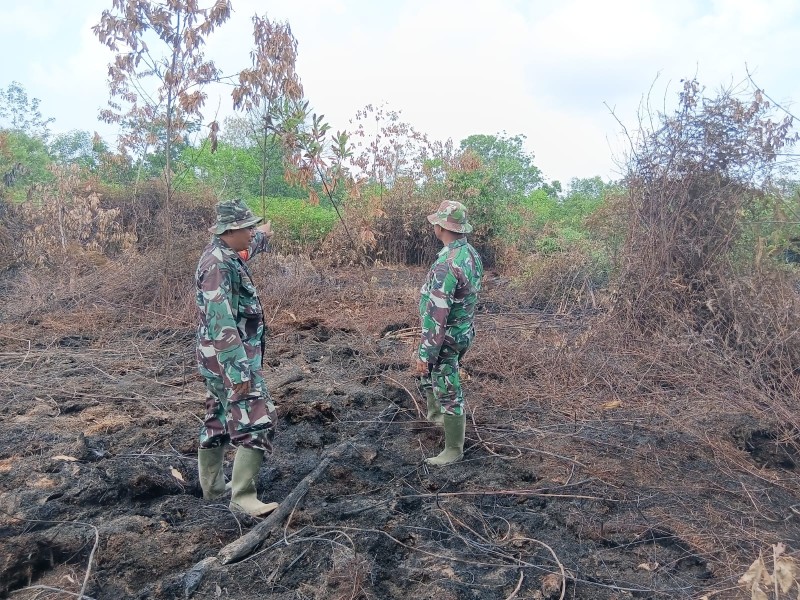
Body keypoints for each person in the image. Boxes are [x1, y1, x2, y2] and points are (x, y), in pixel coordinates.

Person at [195, 199, 279, 516]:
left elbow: (248, 248)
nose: (252, 232)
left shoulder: (227, 252)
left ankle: (214, 488)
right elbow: (221, 321)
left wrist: (264, 235)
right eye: (248, 228)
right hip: (230, 360)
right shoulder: (217, 266)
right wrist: (238, 372)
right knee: (258, 418)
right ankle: (243, 497)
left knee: (218, 417)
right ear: (231, 230)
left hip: (217, 360)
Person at [415, 200, 484, 466]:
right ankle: (436, 416)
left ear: (441, 227)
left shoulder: (448, 264)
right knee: (436, 376)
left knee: (448, 387)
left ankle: (454, 449)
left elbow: (438, 314)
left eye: (436, 223)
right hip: (463, 332)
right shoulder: (469, 253)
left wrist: (426, 352)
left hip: (446, 337)